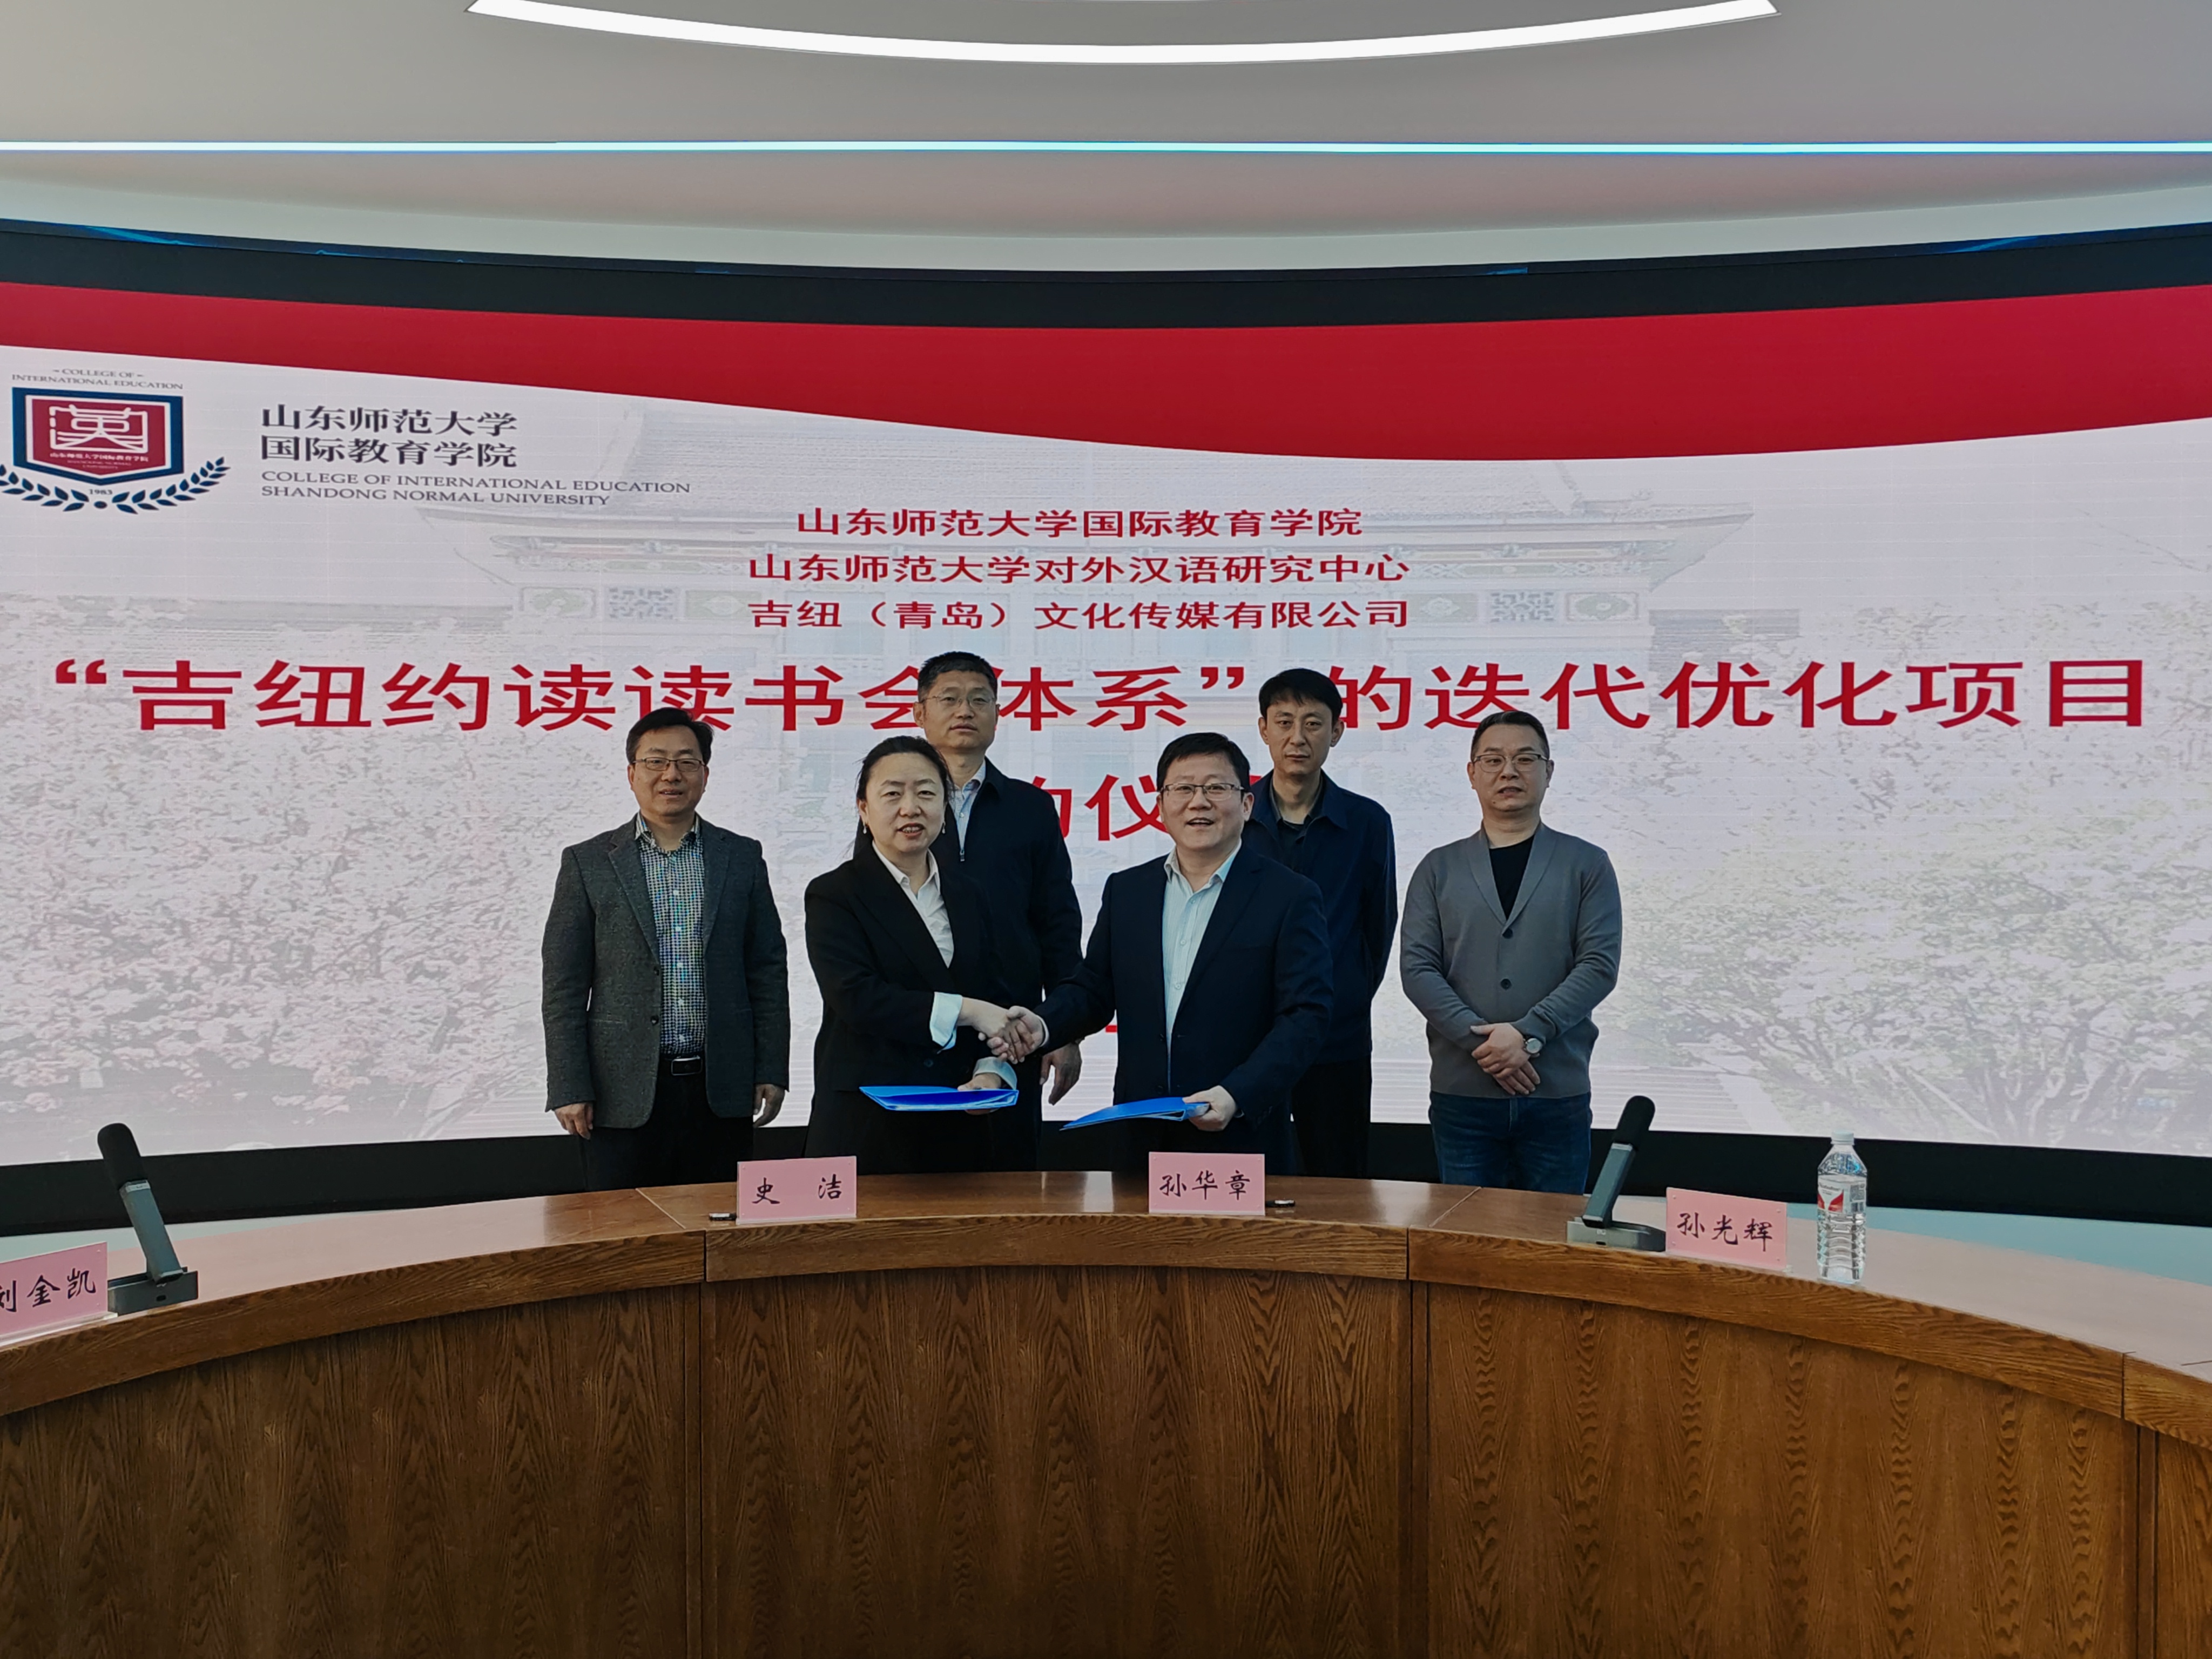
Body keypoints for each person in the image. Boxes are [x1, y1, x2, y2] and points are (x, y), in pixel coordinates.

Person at [1003, 732, 1331, 1174]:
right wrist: (1042, 1025)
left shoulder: (1289, 896)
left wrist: (1237, 1094)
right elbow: (1093, 989)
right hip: (1142, 1135)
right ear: (1160, 806)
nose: (1199, 802)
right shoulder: (1128, 891)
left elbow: (1305, 1016)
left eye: (1217, 788)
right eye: (1183, 789)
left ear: (1247, 805)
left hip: (1237, 1133)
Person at [542, 706, 790, 1190]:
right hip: (620, 1091)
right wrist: (569, 1084)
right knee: (623, 1226)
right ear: (632, 774)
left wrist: (771, 1067)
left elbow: (767, 970)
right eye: (655, 761)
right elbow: (563, 987)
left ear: (705, 775)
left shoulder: (741, 857)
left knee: (719, 1218)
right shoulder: (588, 863)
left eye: (686, 762)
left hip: (721, 1084)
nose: (671, 774)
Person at [1400, 709, 1622, 1191]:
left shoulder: (1587, 864)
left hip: (1555, 1091)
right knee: (1466, 1232)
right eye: (1493, 759)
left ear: (1549, 771)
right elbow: (1418, 970)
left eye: (1525, 759)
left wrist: (1528, 1034)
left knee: (1553, 1232)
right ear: (1472, 773)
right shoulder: (1438, 868)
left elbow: (1599, 966)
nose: (1509, 772)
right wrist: (1484, 1045)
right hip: (1464, 1094)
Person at [804, 736, 1032, 1175]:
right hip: (867, 1124)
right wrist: (968, 1011)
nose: (910, 808)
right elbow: (857, 998)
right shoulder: (834, 893)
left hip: (958, 1118)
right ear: (864, 809)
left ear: (945, 807)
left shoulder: (969, 893)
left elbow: (995, 995)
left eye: (926, 793)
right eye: (892, 794)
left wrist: (990, 1073)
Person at [912, 650, 1085, 1169]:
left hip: (1014, 1029)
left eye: (979, 699)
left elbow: (1058, 922)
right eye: (949, 698)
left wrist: (1063, 1027)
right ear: (920, 712)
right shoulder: (898, 803)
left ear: (997, 713)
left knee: (1008, 1177)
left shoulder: (1030, 808)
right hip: (921, 1024)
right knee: (917, 1183)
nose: (965, 710)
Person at [1245, 667, 1398, 1177]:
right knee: (1247, 1179)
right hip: (1247, 1037)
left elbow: (1378, 927)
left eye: (1313, 723)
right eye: (1284, 721)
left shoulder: (1367, 822)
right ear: (1264, 729)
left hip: (1337, 1038)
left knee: (1340, 1180)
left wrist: (1346, 993)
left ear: (1337, 732)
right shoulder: (1234, 818)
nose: (1298, 737)